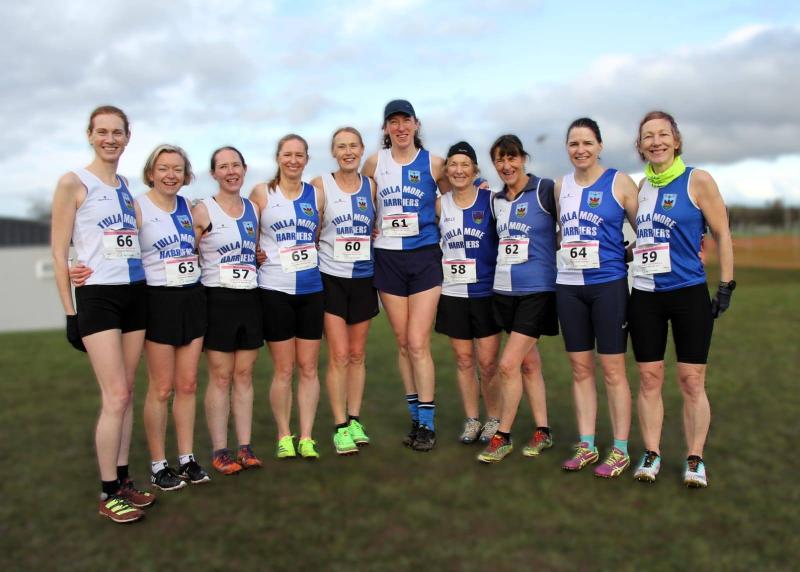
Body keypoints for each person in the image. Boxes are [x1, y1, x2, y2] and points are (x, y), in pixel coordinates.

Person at [71, 144, 211, 489]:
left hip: (191, 296)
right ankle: (157, 464)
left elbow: (192, 248)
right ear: (151, 172)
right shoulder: (136, 206)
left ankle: (187, 458)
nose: (170, 175)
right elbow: (104, 238)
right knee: (161, 388)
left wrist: (199, 231)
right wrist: (75, 263)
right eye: (163, 168)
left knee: (188, 385)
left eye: (177, 169)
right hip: (157, 300)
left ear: (186, 175)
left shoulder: (190, 208)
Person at [52, 105, 154, 523]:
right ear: (90, 135)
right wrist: (69, 312)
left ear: (128, 137)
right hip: (97, 298)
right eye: (102, 132)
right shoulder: (73, 182)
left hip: (135, 292)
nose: (110, 138)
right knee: (113, 395)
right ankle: (107, 490)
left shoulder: (128, 186)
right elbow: (59, 251)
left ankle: (124, 479)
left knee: (127, 391)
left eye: (118, 132)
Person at [629, 111, 734, 488]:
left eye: (662, 134)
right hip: (644, 295)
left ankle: (695, 458)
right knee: (649, 377)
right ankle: (652, 452)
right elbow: (642, 242)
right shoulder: (640, 188)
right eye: (647, 136)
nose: (655, 141)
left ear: (675, 140)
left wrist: (726, 284)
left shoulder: (698, 180)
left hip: (688, 292)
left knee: (691, 380)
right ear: (639, 146)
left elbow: (722, 233)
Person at [554, 118, 639, 478]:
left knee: (613, 370)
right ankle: (587, 444)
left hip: (609, 287)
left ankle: (619, 449)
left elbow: (644, 228)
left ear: (600, 145)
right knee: (580, 368)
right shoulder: (560, 187)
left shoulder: (619, 182)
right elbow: (558, 233)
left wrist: (627, 253)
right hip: (570, 288)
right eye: (574, 143)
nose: (580, 149)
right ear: (567, 148)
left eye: (587, 142)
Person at [362, 99, 447, 452]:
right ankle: (415, 419)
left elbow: (459, 192)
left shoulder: (434, 163)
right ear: (385, 128)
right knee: (402, 342)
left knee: (417, 341)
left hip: (425, 256)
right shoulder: (373, 163)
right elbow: (358, 202)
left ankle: (427, 424)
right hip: (388, 259)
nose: (400, 128)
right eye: (393, 122)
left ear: (416, 124)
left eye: (405, 121)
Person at [477, 135, 559, 464]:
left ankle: (503, 435)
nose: (507, 166)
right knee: (529, 363)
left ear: (524, 158)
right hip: (503, 291)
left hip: (537, 291)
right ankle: (543, 430)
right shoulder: (495, 200)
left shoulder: (545, 190)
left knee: (508, 364)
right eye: (500, 160)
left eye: (512, 158)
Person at [250, 134, 325, 460]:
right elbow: (247, 236)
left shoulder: (316, 196)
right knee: (283, 369)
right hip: (275, 290)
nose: (293, 160)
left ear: (306, 159)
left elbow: (318, 234)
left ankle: (307, 436)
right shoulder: (261, 193)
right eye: (287, 154)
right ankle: (284, 435)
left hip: (311, 290)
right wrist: (255, 253)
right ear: (278, 157)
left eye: (299, 155)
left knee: (309, 367)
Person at [194, 146, 263, 475]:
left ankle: (245, 446)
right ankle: (221, 449)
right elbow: (186, 252)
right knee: (221, 376)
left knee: (244, 375)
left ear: (245, 169)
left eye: (236, 165)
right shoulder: (202, 210)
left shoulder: (253, 208)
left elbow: (256, 251)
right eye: (223, 167)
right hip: (217, 298)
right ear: (214, 174)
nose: (231, 171)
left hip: (249, 298)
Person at [311, 127, 378, 455]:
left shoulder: (372, 186)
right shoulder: (320, 186)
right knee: (338, 355)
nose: (348, 151)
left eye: (353, 146)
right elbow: (308, 229)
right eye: (341, 147)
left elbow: (376, 227)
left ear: (362, 149)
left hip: (364, 278)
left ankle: (354, 419)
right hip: (331, 278)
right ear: (333, 152)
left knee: (357, 354)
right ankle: (339, 426)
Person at [434, 141, 501, 444]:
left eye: (465, 165)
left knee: (488, 363)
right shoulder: (440, 204)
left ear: (475, 169)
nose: (459, 170)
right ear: (446, 170)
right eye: (453, 165)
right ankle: (472, 419)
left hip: (486, 292)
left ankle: (495, 419)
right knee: (463, 360)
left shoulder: (490, 200)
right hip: (453, 293)